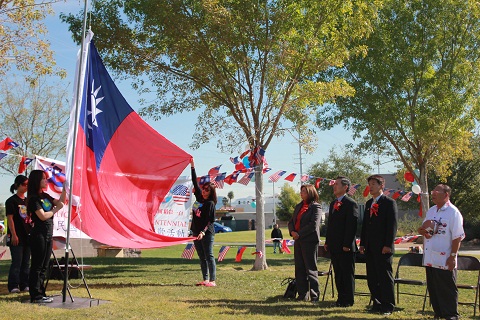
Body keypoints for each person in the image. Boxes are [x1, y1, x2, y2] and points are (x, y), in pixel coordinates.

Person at [418, 184, 464, 320]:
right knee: (434, 289)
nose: (433, 192)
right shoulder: (431, 211)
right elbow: (426, 230)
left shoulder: (453, 212)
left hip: (444, 259)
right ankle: (438, 314)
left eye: (437, 190)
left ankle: (451, 315)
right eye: (433, 190)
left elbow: (457, 237)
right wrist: (423, 231)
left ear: (446, 194)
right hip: (430, 258)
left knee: (447, 289)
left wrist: (453, 256)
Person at [359, 174, 397, 315]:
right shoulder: (369, 203)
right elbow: (365, 226)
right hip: (370, 247)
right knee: (373, 277)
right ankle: (377, 303)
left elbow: (391, 226)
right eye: (370, 184)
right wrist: (363, 243)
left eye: (374, 184)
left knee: (384, 277)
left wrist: (388, 244)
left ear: (381, 186)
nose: (371, 187)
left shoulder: (389, 203)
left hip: (383, 247)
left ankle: (388, 306)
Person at [27, 170, 65, 303]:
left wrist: (65, 190)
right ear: (36, 180)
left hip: (49, 234)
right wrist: (53, 211)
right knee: (37, 265)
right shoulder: (33, 199)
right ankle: (35, 295)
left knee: (44, 266)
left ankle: (41, 293)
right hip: (38, 235)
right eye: (43, 179)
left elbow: (60, 203)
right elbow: (42, 216)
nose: (45, 181)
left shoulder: (46, 196)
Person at [325, 176, 359, 307]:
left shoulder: (351, 204)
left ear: (345, 187)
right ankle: (340, 298)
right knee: (338, 273)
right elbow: (331, 225)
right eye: (334, 184)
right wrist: (327, 241)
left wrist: (346, 244)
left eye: (337, 184)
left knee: (346, 273)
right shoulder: (333, 203)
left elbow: (352, 226)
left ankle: (348, 300)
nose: (334, 186)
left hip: (346, 247)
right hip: (334, 245)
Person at [288, 184, 321, 303]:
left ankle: (314, 296)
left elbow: (313, 225)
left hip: (309, 241)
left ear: (310, 193)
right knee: (300, 268)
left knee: (310, 269)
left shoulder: (316, 207)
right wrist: (292, 231)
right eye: (301, 191)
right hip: (298, 241)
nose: (301, 193)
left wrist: (299, 234)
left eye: (304, 191)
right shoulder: (298, 206)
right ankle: (302, 294)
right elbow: (291, 221)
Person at [190, 158, 217, 287]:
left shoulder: (210, 203)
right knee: (201, 257)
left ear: (211, 193)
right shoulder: (199, 198)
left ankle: (212, 280)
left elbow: (210, 220)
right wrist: (192, 166)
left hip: (206, 233)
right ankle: (205, 279)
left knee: (209, 256)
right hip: (196, 232)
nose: (204, 191)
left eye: (207, 190)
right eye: (204, 189)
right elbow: (195, 182)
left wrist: (203, 232)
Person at [5, 175, 31, 293]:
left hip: (28, 236)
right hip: (16, 236)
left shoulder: (28, 200)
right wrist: (14, 235)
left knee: (26, 262)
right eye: (25, 184)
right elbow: (10, 219)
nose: (27, 187)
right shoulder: (11, 201)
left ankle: (24, 284)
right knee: (17, 262)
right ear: (18, 185)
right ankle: (13, 286)